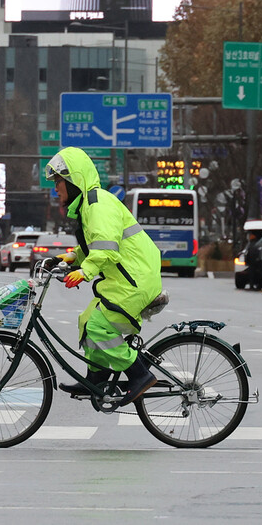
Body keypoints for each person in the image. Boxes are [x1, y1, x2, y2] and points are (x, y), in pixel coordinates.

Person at [47, 147, 163, 407]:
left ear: (74, 180)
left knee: (100, 326)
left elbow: (106, 248)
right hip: (125, 280)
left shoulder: (98, 203)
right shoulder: (90, 205)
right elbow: (94, 244)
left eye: (58, 182)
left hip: (135, 280)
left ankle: (139, 374)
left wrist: (84, 272)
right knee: (88, 320)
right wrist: (70, 258)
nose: (56, 188)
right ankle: (96, 379)